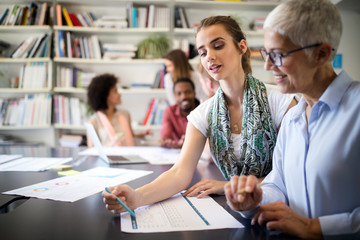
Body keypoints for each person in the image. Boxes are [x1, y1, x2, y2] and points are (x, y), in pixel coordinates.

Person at [102, 16, 296, 214]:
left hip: (283, 209)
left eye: (218, 46)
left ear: (242, 46)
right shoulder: (202, 114)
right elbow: (179, 173)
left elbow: (290, 174)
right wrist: (137, 197)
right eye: (202, 53)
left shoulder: (281, 100)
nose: (209, 57)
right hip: (235, 209)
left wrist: (225, 186)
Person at [224, 0, 360, 239]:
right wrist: (255, 200)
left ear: (321, 54)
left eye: (277, 55)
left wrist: (314, 228)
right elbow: (279, 184)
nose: (267, 66)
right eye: (266, 54)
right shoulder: (293, 117)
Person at [87, 73, 152, 147]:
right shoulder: (94, 121)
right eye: (115, 91)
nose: (119, 94)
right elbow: (91, 150)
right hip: (108, 158)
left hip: (128, 157)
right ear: (105, 95)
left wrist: (142, 134)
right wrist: (110, 144)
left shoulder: (125, 114)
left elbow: (130, 137)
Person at [159, 77, 200, 149]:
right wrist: (166, 142)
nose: (184, 97)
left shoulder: (203, 111)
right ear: (175, 96)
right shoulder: (169, 111)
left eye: (188, 92)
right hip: (177, 152)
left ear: (194, 93)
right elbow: (165, 136)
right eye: (179, 94)